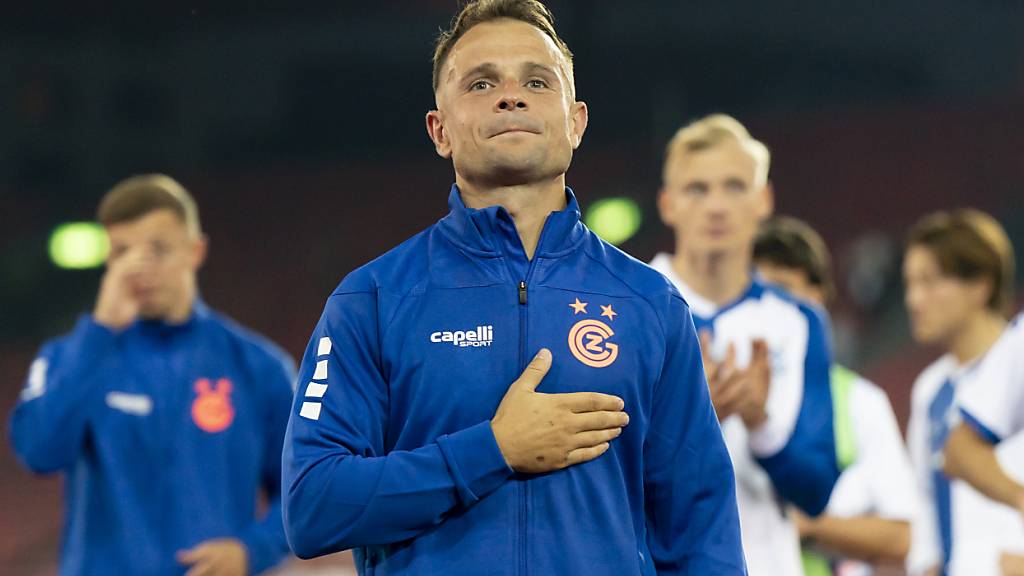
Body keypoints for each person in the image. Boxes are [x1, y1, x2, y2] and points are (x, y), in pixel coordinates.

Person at [281, 1, 745, 575]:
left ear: (576, 123)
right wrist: (493, 450)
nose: (511, 97)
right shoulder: (371, 300)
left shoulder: (651, 304)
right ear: (440, 130)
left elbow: (701, 533)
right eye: (481, 83)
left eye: (536, 81)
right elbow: (312, 505)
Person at [9, 174, 295, 575]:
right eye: (123, 252)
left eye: (157, 249)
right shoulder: (68, 358)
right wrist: (99, 331)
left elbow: (303, 488)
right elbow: (39, 452)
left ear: (196, 251)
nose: (139, 267)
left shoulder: (258, 366)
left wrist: (252, 550)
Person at [649, 114, 840, 576]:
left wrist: (760, 423)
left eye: (735, 186)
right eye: (697, 189)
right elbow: (603, 481)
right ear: (668, 204)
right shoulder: (627, 309)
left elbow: (816, 492)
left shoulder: (798, 321)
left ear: (763, 199)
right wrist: (695, 419)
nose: (716, 206)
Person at [753, 216, 916, 576]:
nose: (767, 307)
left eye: (782, 290)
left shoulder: (859, 401)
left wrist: (807, 525)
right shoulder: (714, 393)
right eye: (755, 292)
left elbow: (900, 537)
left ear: (817, 298)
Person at [901, 209, 1024, 575]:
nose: (913, 299)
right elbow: (923, 501)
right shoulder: (930, 390)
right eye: (909, 284)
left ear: (980, 284)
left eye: (929, 281)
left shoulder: (1017, 360)